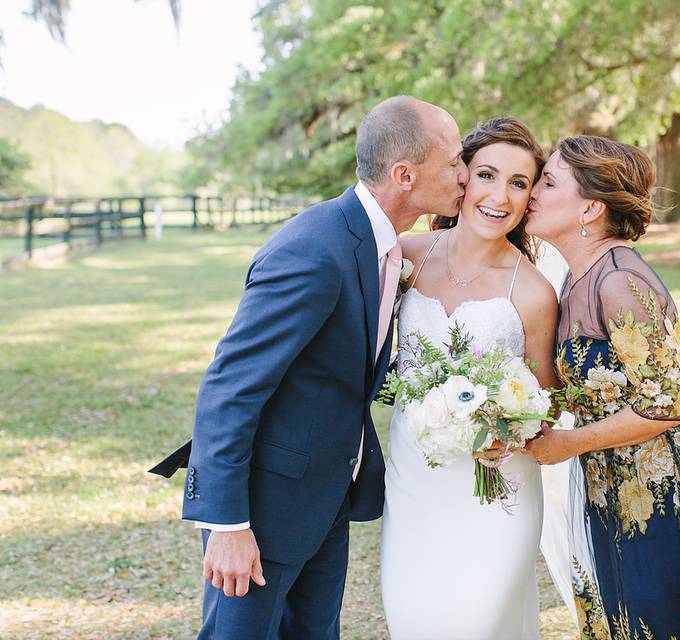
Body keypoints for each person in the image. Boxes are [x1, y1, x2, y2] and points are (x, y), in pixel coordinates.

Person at [171, 95, 467, 639]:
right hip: (264, 509)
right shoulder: (314, 248)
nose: (465, 174)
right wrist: (228, 525)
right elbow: (229, 386)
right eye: (453, 162)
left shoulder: (386, 247)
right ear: (405, 174)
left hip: (326, 494)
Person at [525, 135, 680, 640]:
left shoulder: (621, 281)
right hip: (611, 478)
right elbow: (597, 385)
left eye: (548, 181)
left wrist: (567, 443)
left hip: (660, 482)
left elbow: (670, 405)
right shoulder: (576, 278)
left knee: (668, 620)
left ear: (590, 206)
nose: (533, 192)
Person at [380, 116, 559, 639]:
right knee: (413, 623)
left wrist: (508, 424)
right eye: (487, 174)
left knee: (476, 625)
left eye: (519, 183)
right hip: (414, 483)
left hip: (496, 492)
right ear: (461, 178)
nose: (499, 196)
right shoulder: (405, 259)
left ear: (529, 199)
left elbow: (548, 397)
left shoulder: (533, 292)